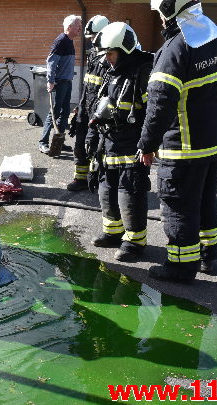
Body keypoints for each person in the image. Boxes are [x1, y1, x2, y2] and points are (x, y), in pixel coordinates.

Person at [137, 0, 217, 282]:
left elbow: (159, 103)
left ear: (170, 7)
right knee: (206, 200)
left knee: (178, 205)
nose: (160, 17)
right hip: (214, 142)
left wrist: (147, 143)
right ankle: (209, 255)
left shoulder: (176, 48)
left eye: (160, 12)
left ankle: (181, 266)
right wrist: (213, 116)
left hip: (183, 147)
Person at [87, 22, 154, 262]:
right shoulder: (111, 72)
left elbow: (152, 112)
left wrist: (148, 144)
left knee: (130, 193)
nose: (107, 59)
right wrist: (91, 136)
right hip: (108, 143)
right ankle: (113, 233)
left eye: (111, 53)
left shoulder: (143, 72)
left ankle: (135, 242)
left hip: (131, 146)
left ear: (125, 49)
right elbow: (98, 107)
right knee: (106, 189)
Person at [67, 15, 110, 191]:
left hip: (99, 112)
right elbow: (87, 86)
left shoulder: (109, 58)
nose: (92, 42)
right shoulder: (92, 55)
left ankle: (99, 178)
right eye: (90, 38)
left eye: (94, 38)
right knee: (79, 145)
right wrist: (79, 107)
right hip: (86, 108)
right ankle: (80, 178)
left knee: (96, 146)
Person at [39, 14, 82, 155]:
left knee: (64, 114)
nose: (80, 28)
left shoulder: (69, 41)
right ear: (69, 27)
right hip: (59, 84)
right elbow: (51, 62)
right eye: (78, 25)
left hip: (67, 82)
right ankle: (43, 143)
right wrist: (50, 81)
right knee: (54, 113)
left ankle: (59, 142)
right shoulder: (61, 41)